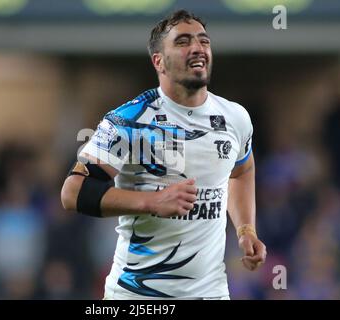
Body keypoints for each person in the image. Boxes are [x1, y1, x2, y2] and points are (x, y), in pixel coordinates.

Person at [61, 9, 267, 300]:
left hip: (211, 293)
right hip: (137, 295)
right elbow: (73, 193)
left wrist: (246, 229)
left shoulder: (235, 117)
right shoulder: (130, 119)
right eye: (183, 42)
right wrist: (153, 201)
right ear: (159, 61)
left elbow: (242, 170)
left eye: (203, 41)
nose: (197, 48)